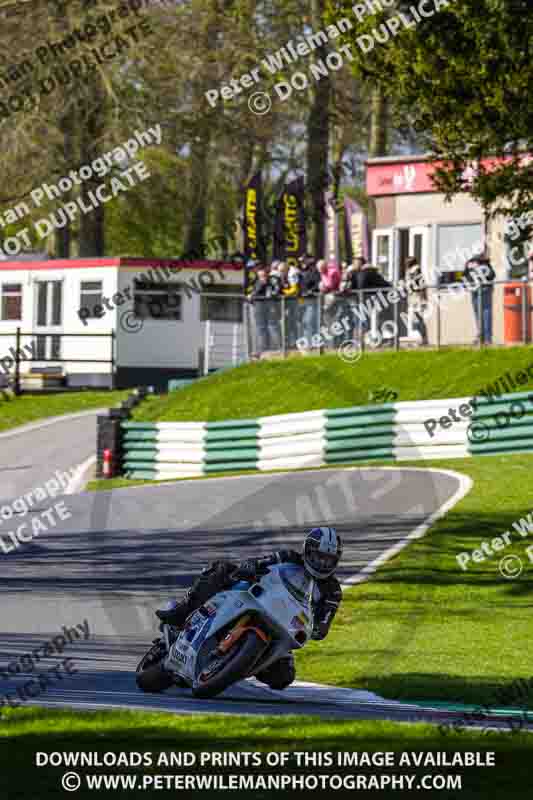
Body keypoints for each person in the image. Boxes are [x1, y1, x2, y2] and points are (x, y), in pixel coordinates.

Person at [156, 527, 343, 690]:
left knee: (283, 677)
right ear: (307, 550)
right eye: (319, 557)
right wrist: (250, 566)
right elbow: (262, 561)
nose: (322, 563)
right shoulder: (289, 557)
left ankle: (238, 664)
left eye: (328, 560)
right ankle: (182, 611)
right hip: (261, 600)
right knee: (220, 569)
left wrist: (320, 628)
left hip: (285, 624)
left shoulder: (332, 591)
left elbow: (326, 619)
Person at [464, 255, 495, 344]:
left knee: (486, 313)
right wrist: (469, 283)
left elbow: (492, 275)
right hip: (474, 290)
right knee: (477, 313)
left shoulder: (485, 262)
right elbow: (465, 275)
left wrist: (482, 273)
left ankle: (487, 338)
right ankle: (481, 336)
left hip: (485, 289)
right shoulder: (469, 262)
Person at [404, 256, 428, 345]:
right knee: (413, 318)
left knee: (418, 318)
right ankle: (417, 338)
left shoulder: (416, 270)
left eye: (407, 262)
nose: (406, 263)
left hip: (417, 296)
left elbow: (421, 284)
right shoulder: (408, 271)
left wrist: (422, 298)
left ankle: (421, 338)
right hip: (411, 296)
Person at [298, 257, 320, 347]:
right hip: (303, 301)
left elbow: (318, 283)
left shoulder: (314, 273)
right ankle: (309, 342)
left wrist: (311, 290)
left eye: (303, 262)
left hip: (312, 300)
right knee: (304, 322)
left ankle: (311, 343)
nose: (302, 263)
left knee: (309, 321)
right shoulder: (301, 274)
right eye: (301, 262)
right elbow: (300, 286)